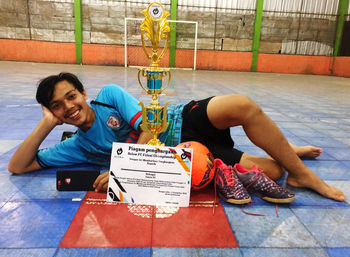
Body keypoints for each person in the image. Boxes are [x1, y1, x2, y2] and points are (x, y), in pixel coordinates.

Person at [8, 72, 345, 202]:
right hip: (186, 153)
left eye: (71, 97)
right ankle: (287, 155)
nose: (69, 107)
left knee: (243, 105)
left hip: (181, 117)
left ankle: (302, 175)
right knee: (271, 170)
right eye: (57, 107)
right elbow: (18, 166)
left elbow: (147, 128)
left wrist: (121, 171)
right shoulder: (76, 146)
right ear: (51, 112)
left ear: (82, 93)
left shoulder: (109, 95)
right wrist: (45, 125)